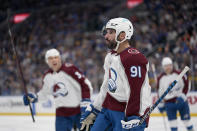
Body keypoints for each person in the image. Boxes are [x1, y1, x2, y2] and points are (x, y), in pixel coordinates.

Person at [80, 17, 151, 131]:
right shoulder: (111, 56)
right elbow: (106, 87)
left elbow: (138, 91)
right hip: (107, 109)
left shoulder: (133, 58)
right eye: (106, 32)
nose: (106, 36)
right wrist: (95, 108)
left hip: (122, 114)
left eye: (111, 32)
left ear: (122, 36)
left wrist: (135, 117)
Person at [23, 48, 93, 131]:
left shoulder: (70, 69)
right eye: (50, 58)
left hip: (79, 111)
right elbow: (45, 93)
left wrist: (86, 101)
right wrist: (34, 98)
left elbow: (86, 85)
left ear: (60, 58)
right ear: (47, 61)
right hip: (61, 114)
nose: (54, 60)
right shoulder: (47, 76)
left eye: (56, 57)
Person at [157, 57, 194, 131]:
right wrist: (160, 103)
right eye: (166, 66)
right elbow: (160, 92)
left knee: (188, 122)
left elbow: (187, 85)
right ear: (163, 67)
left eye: (170, 65)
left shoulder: (179, 74)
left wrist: (183, 96)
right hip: (169, 103)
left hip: (181, 101)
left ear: (172, 65)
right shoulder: (160, 78)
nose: (168, 67)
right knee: (173, 125)